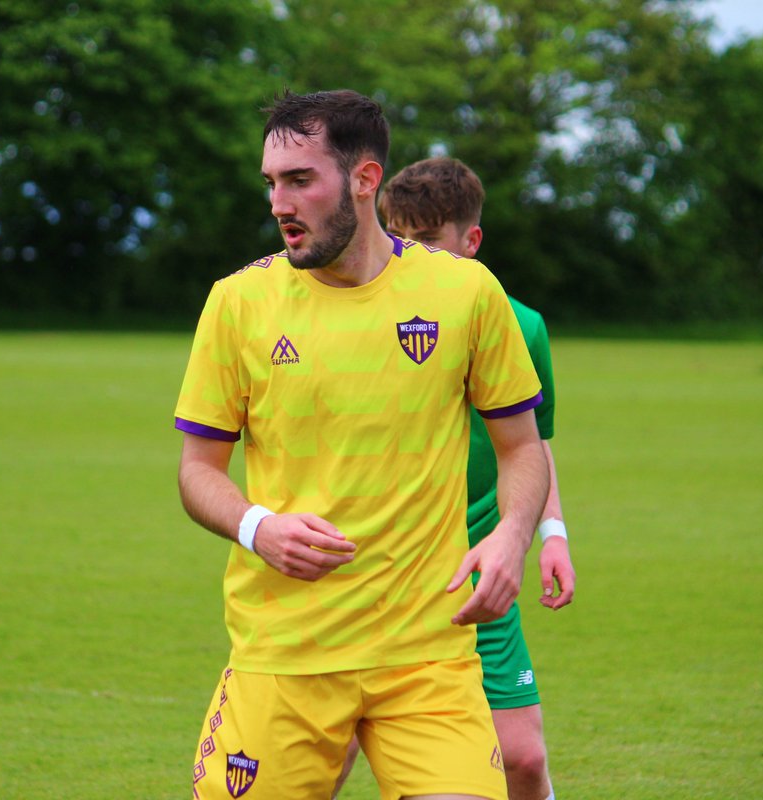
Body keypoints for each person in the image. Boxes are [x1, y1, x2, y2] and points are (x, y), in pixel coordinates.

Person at [174, 89, 549, 800]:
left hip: (427, 657)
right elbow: (197, 471)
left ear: (365, 179)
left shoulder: (467, 293)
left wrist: (512, 537)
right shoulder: (237, 302)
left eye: (299, 180)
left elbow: (522, 449)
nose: (279, 203)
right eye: (271, 183)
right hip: (286, 654)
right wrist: (258, 527)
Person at [334, 157, 577, 800]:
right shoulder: (359, 316)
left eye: (426, 240)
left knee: (522, 759)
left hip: (477, 572)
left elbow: (531, 445)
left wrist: (551, 534)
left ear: (471, 241)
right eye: (396, 236)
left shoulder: (522, 327)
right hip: (376, 573)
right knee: (330, 756)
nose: (407, 253)